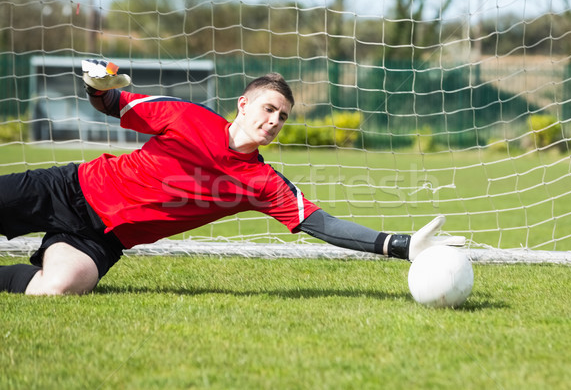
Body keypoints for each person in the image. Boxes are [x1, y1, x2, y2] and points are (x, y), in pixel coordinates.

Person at [0, 59, 465, 295]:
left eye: (282, 117)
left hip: (104, 239)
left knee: (57, 289)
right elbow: (111, 103)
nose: (273, 121)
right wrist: (96, 88)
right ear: (243, 104)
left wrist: (399, 244)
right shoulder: (183, 117)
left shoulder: (264, 184)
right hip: (70, 189)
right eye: (268, 109)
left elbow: (321, 224)